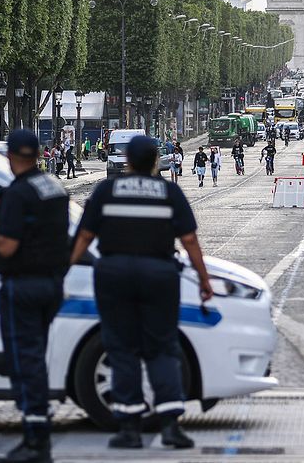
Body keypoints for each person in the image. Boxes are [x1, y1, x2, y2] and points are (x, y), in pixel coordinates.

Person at [69, 136, 213, 451]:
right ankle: (170, 424)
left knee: (121, 349)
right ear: (155, 162)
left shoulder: (107, 191)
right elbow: (189, 240)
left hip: (114, 275)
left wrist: (63, 269)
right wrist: (204, 280)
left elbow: (84, 235)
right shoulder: (169, 192)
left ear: (128, 162)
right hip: (159, 275)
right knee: (162, 348)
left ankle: (129, 428)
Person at [0, 130, 70, 463]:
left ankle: (36, 441)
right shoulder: (54, 188)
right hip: (51, 284)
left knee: (25, 360)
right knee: (36, 356)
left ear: (10, 157)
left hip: (23, 284)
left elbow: (6, 245)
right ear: (38, 154)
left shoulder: (17, 195)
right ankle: (37, 434)